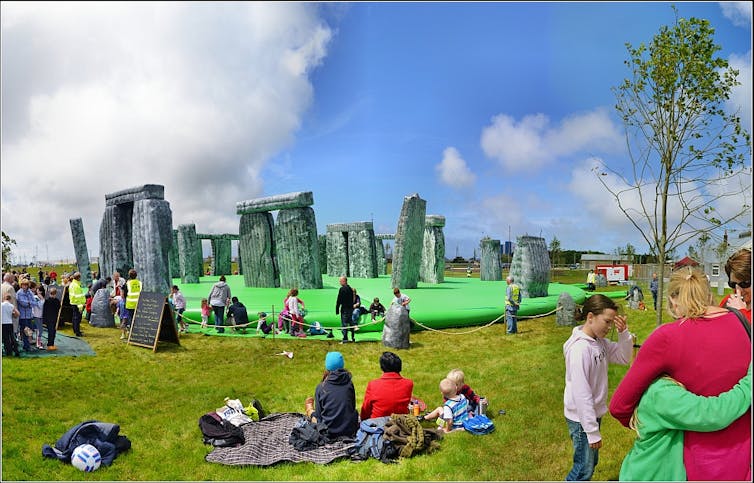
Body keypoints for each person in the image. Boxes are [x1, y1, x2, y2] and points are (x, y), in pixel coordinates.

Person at [609, 266, 750, 481]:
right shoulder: (743, 322)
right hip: (743, 455)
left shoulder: (668, 337)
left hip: (692, 463)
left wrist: (656, 418)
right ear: (708, 293)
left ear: (673, 300)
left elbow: (619, 406)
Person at [618, 365, 752, 481]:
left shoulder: (657, 387)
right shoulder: (661, 393)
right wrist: (748, 384)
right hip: (651, 477)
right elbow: (711, 414)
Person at [563, 294, 632, 481]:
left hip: (591, 416)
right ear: (590, 317)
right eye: (607, 322)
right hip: (581, 419)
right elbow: (581, 393)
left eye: (611, 323)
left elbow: (624, 358)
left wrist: (623, 334)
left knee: (589, 464)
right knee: (583, 469)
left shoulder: (598, 342)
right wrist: (592, 431)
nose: (609, 327)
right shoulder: (580, 349)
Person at [304, 351, 359, 438]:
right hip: (349, 430)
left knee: (315, 418)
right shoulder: (349, 383)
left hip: (328, 431)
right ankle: (310, 411)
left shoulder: (321, 387)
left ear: (327, 367)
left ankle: (309, 410)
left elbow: (319, 415)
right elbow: (352, 407)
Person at [360, 351, 414, 421]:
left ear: (382, 367)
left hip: (377, 424)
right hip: (400, 423)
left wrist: (364, 421)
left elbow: (366, 409)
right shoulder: (408, 384)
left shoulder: (373, 385)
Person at [719, 247, 751, 322]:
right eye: (732, 284)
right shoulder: (728, 301)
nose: (738, 290)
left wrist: (741, 312)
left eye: (745, 283)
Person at [16, 278, 40, 351]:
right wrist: (30, 303)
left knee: (30, 330)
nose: (25, 286)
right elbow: (23, 303)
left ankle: (27, 345)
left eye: (26, 285)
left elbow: (35, 302)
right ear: (21, 285)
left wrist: (29, 303)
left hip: (30, 315)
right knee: (24, 331)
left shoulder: (30, 292)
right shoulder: (19, 293)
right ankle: (26, 346)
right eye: (23, 285)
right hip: (23, 316)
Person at [335, 276, 355, 343]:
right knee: (350, 322)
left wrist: (337, 309)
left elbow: (339, 299)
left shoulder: (342, 289)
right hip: (350, 309)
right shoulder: (350, 289)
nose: (340, 282)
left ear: (344, 281)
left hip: (345, 309)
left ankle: (345, 339)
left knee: (344, 324)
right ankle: (352, 337)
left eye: (340, 281)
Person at [42, 287, 60, 351]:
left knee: (51, 331)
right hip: (52, 318)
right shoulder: (56, 301)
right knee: (52, 332)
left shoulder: (46, 301)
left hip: (48, 318)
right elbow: (58, 308)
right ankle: (50, 344)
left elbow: (44, 310)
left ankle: (50, 343)